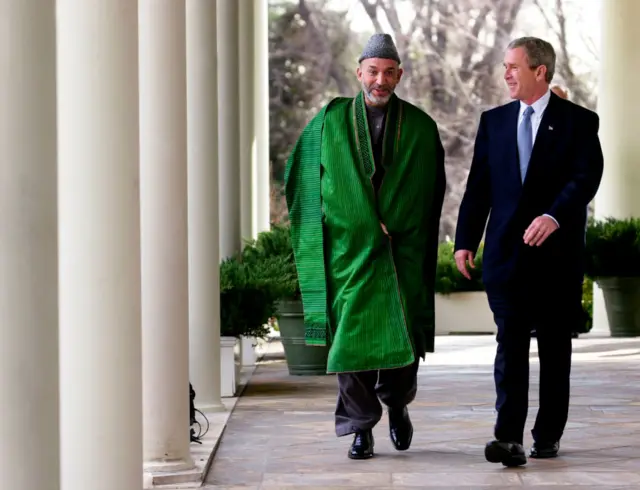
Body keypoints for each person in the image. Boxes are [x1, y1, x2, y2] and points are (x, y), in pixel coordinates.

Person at [284, 33, 446, 460]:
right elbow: (306, 183)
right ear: (359, 72)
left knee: (403, 338)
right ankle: (360, 426)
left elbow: (429, 194)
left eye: (389, 72)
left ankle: (396, 403)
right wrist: (359, 220)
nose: (381, 80)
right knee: (351, 344)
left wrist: (395, 223)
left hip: (401, 252)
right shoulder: (328, 123)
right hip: (350, 252)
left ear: (400, 75)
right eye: (373, 71)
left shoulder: (421, 127)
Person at [454, 37, 603, 467]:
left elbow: (585, 178)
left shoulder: (579, 121)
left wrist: (553, 216)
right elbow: (478, 187)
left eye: (514, 67)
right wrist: (466, 240)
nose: (506, 75)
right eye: (505, 67)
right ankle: (508, 437)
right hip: (505, 255)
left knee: (555, 349)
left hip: (556, 258)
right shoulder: (494, 121)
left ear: (540, 71)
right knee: (510, 347)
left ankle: (547, 434)